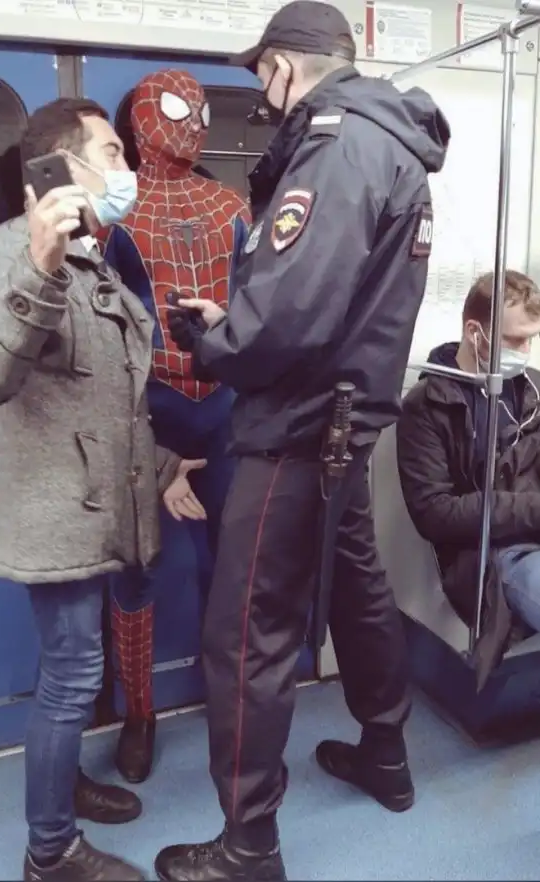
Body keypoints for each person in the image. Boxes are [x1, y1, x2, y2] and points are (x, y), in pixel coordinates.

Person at [154, 1, 451, 879]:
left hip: (295, 427)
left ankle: (248, 842)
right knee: (358, 586)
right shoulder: (392, 142)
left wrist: (215, 341)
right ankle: (386, 752)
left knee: (249, 630)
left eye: (262, 74)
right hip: (346, 422)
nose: (263, 91)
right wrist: (243, 319)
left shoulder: (338, 146)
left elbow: (289, 318)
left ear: (284, 65)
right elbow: (325, 298)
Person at [0, 97, 207, 882]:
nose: (128, 168)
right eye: (112, 153)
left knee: (71, 674)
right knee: (71, 678)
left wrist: (164, 466)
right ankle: (50, 851)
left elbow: (110, 402)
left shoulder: (96, 256)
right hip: (58, 516)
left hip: (101, 516)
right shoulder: (14, 249)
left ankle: (60, 788)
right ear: (62, 167)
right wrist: (38, 265)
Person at [102, 69, 250, 784]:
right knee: (135, 568)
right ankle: (139, 712)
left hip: (224, 407)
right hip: (144, 408)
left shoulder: (233, 207)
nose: (193, 121)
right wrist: (148, 449)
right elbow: (100, 339)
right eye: (173, 108)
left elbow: (258, 309)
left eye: (200, 108)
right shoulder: (111, 215)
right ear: (140, 119)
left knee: (235, 565)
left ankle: (232, 700)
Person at [397, 270, 540, 681]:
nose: (525, 351)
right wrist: (532, 510)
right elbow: (435, 514)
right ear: (475, 332)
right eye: (514, 340)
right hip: (491, 554)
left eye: (531, 339)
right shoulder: (427, 407)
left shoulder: (532, 390)